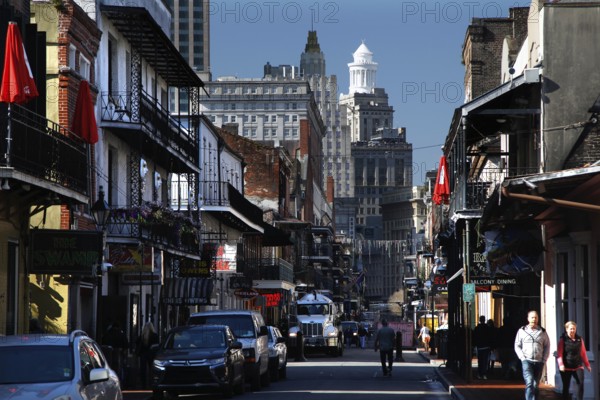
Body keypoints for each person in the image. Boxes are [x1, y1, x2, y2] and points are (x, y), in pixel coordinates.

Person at [514, 310, 550, 400]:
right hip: (527, 361)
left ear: (538, 319)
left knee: (535, 385)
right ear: (528, 319)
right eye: (532, 317)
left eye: (536, 317)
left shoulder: (542, 332)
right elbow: (517, 345)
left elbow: (547, 346)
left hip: (539, 362)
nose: (534, 319)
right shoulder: (522, 331)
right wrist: (522, 358)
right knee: (529, 383)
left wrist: (544, 359)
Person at [557, 321, 591, 400]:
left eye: (574, 329)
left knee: (580, 385)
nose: (572, 330)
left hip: (578, 366)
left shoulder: (579, 339)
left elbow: (583, 353)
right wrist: (561, 364)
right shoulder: (563, 340)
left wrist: (587, 365)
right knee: (566, 387)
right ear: (566, 329)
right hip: (566, 367)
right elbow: (559, 354)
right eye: (571, 329)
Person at [137, 321, 159, 388]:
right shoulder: (155, 335)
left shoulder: (142, 336)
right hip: (151, 354)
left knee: (143, 370)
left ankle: (144, 384)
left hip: (143, 354)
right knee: (151, 369)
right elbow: (157, 345)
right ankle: (151, 383)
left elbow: (137, 343)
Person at [473, 315, 494, 379]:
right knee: (485, 361)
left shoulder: (477, 328)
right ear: (484, 320)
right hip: (486, 347)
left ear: (479, 320)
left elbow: (475, 337)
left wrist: (475, 345)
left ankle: (479, 373)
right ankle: (484, 374)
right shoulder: (488, 328)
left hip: (479, 347)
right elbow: (490, 337)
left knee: (480, 361)